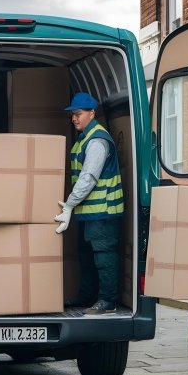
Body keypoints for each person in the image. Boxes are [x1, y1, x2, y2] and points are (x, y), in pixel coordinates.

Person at [54, 92, 124, 315]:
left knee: (103, 256)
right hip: (89, 212)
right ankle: (88, 295)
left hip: (103, 210)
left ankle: (107, 300)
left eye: (78, 114)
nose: (74, 118)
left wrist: (69, 205)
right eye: (73, 115)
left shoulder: (96, 140)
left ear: (92, 113)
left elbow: (89, 177)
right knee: (86, 255)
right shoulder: (85, 138)